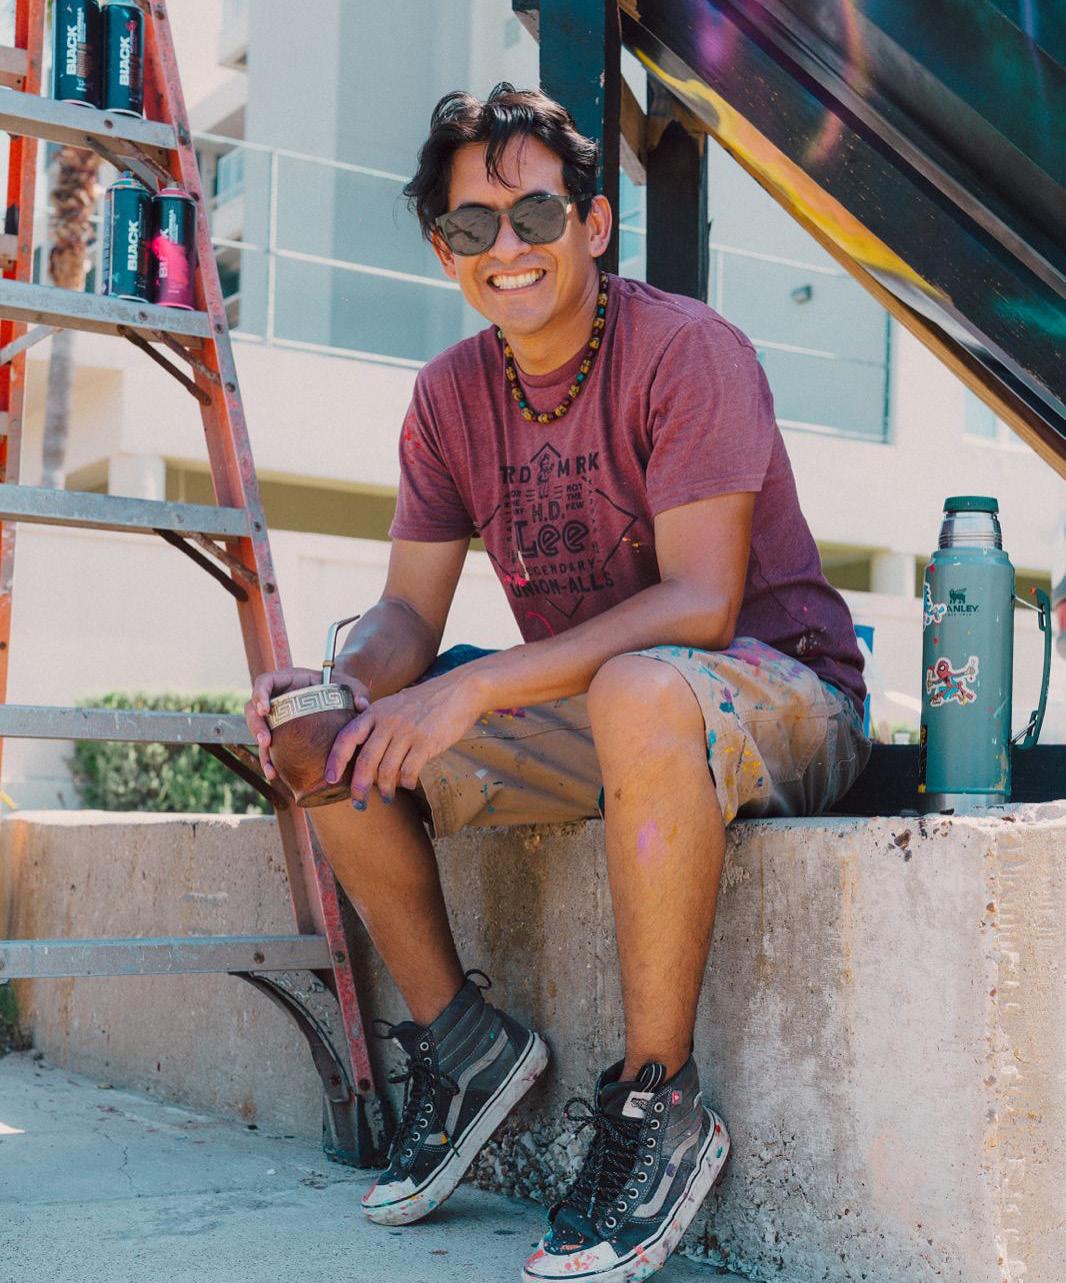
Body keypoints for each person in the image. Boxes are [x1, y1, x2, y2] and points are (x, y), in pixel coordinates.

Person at [245, 84, 870, 1283]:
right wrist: (340, 681)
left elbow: (699, 601)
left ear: (592, 223)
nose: (509, 247)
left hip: (782, 693)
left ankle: (658, 1100)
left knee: (638, 684)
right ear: (446, 252)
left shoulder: (685, 350)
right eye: (472, 227)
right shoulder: (448, 396)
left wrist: (474, 690)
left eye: (535, 213)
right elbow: (407, 615)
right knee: (322, 736)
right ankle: (465, 1044)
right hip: (613, 710)